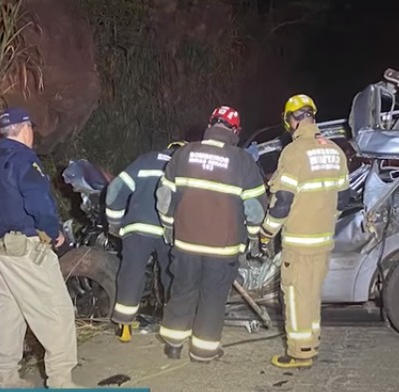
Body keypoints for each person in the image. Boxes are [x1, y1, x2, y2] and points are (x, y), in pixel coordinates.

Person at [0, 107, 80, 389]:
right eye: (31, 128)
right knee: (57, 311)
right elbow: (38, 202)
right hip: (25, 249)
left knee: (10, 313)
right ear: (25, 129)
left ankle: (7, 379)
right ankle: (61, 382)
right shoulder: (24, 160)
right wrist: (53, 232)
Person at [155, 106, 268, 362]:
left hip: (186, 242)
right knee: (212, 297)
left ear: (210, 125)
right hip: (223, 247)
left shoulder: (183, 153)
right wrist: (253, 237)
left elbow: (164, 197)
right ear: (236, 131)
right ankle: (203, 352)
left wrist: (169, 226)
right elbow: (255, 209)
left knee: (183, 289)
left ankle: (173, 344)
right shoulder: (242, 161)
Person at [258, 94, 349, 369]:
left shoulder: (294, 152)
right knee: (311, 296)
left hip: (299, 243)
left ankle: (300, 353)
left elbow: (282, 202)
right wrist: (324, 220)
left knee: (296, 297)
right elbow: (343, 199)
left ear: (290, 120)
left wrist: (266, 232)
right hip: (323, 242)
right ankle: (312, 342)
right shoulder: (335, 150)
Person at [104, 140, 184, 342]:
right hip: (169, 231)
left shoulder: (145, 160)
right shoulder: (185, 167)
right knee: (172, 275)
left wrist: (114, 222)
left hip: (137, 228)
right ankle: (173, 325)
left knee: (132, 274)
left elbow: (116, 188)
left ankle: (124, 326)